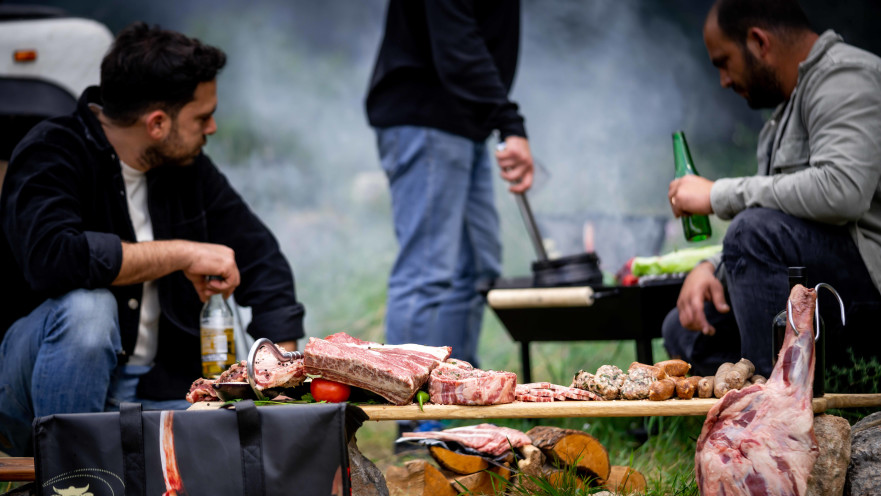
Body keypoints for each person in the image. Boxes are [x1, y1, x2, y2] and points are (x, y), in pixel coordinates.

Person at [0, 22, 305, 456]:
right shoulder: (52, 152)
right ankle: (73, 471)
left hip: (160, 394)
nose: (213, 127)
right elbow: (55, 257)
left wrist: (280, 372)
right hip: (29, 393)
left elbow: (263, 261)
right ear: (158, 123)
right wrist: (182, 253)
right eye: (202, 116)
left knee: (251, 447)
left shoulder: (189, 170)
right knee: (89, 309)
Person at [663, 0, 881, 379]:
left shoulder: (846, 76)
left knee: (752, 230)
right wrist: (711, 266)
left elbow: (842, 190)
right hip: (820, 288)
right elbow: (784, 216)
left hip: (864, 299)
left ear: (759, 42)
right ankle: (778, 384)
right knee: (682, 330)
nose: (724, 80)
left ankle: (771, 415)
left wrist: (717, 195)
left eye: (723, 61)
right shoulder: (782, 115)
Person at [365, 0, 534, 366]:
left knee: (476, 270)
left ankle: (455, 397)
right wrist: (509, 122)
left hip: (466, 123)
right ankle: (417, 416)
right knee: (426, 273)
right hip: (426, 117)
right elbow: (456, 41)